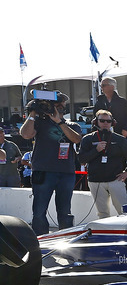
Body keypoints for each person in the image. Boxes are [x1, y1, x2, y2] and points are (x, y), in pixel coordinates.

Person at [19, 91, 82, 235]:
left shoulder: (72, 124)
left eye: (62, 105)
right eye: (56, 104)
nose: (59, 107)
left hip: (66, 172)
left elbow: (76, 139)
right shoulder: (39, 122)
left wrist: (59, 122)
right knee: (39, 211)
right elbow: (26, 134)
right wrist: (33, 113)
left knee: (65, 211)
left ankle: (65, 239)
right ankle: (41, 241)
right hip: (43, 171)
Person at [78, 110, 127, 218]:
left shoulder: (119, 139)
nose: (105, 123)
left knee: (125, 212)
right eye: (102, 121)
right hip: (96, 181)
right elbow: (81, 159)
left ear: (113, 123)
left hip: (115, 180)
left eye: (108, 121)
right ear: (96, 122)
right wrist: (96, 150)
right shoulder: (88, 139)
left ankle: (126, 232)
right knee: (102, 213)